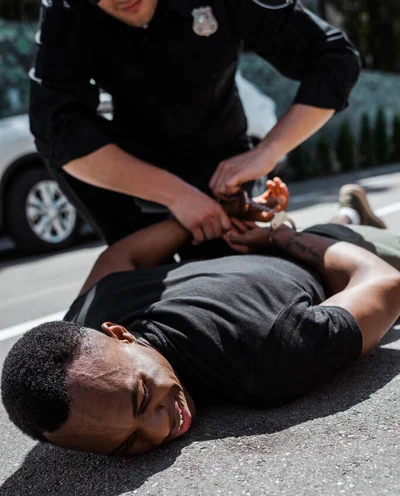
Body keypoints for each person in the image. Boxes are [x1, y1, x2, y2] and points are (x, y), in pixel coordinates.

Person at [2, 182, 399, 456]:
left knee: (345, 236)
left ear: (119, 334)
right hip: (251, 257)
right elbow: (116, 260)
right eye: (128, 445)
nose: (160, 429)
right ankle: (349, 211)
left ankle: (348, 218)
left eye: (141, 397)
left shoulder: (269, 354)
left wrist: (276, 235)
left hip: (320, 256)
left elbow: (383, 281)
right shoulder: (83, 326)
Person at [29, 0, 360, 254]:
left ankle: (349, 214)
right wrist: (176, 196)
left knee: (258, 267)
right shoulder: (65, 10)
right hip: (133, 174)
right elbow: (53, 125)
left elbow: (334, 57)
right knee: (133, 284)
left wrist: (268, 151)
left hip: (219, 166)